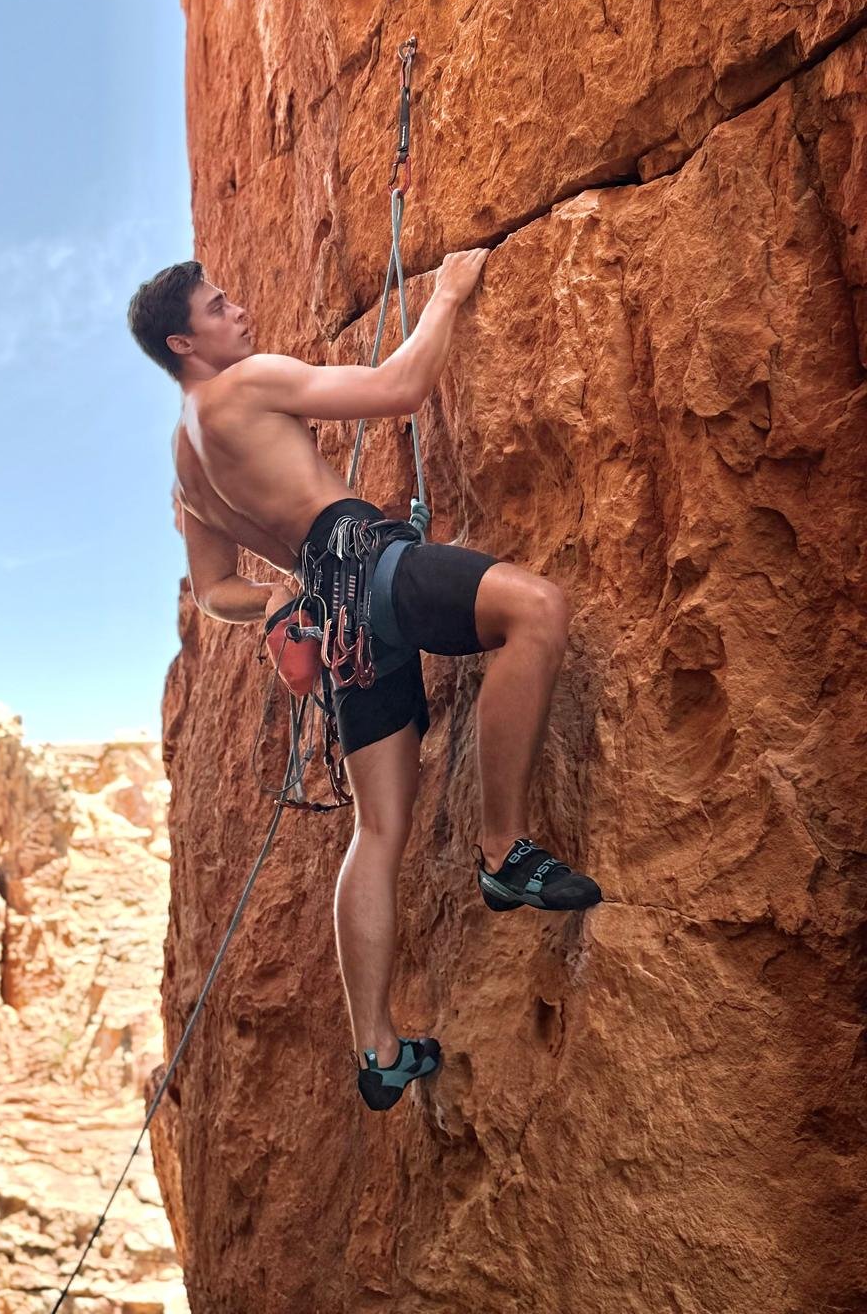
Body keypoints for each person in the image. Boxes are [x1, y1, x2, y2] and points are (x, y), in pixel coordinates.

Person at [127, 252, 602, 1112]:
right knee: (536, 612)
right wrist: (449, 291)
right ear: (182, 342)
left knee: (379, 828)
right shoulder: (249, 384)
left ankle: (379, 1047)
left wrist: (283, 595)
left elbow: (217, 593)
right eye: (218, 307)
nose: (239, 311)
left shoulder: (185, 469)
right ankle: (504, 851)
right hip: (366, 567)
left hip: (336, 614)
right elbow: (399, 388)